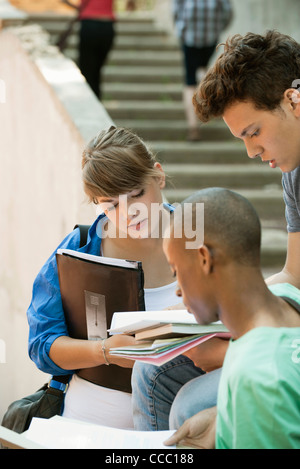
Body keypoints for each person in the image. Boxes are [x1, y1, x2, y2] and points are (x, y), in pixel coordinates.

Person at [26, 126, 183, 429]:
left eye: (137, 194)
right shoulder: (80, 248)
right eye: (110, 204)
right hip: (88, 425)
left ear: (158, 175)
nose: (128, 213)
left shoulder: (200, 235)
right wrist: (105, 352)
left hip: (180, 422)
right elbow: (42, 345)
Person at [163, 188, 300, 449]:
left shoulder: (256, 378)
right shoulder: (286, 298)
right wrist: (222, 421)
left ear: (203, 258)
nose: (178, 290)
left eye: (176, 271)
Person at [192, 30, 300, 289]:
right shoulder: (293, 174)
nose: (252, 152)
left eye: (254, 133)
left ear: (293, 102)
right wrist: (226, 303)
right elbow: (295, 276)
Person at [172, 0, 232, 141]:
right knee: (202, 71)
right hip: (210, 38)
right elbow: (227, 13)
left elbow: (175, 11)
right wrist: (216, 29)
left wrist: (180, 29)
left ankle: (193, 128)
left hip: (189, 38)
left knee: (189, 81)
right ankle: (208, 106)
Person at [62, 0, 136, 99]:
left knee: (87, 71)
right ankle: (95, 100)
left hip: (89, 24)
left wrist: (80, 8)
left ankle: (89, 101)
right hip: (107, 27)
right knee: (96, 71)